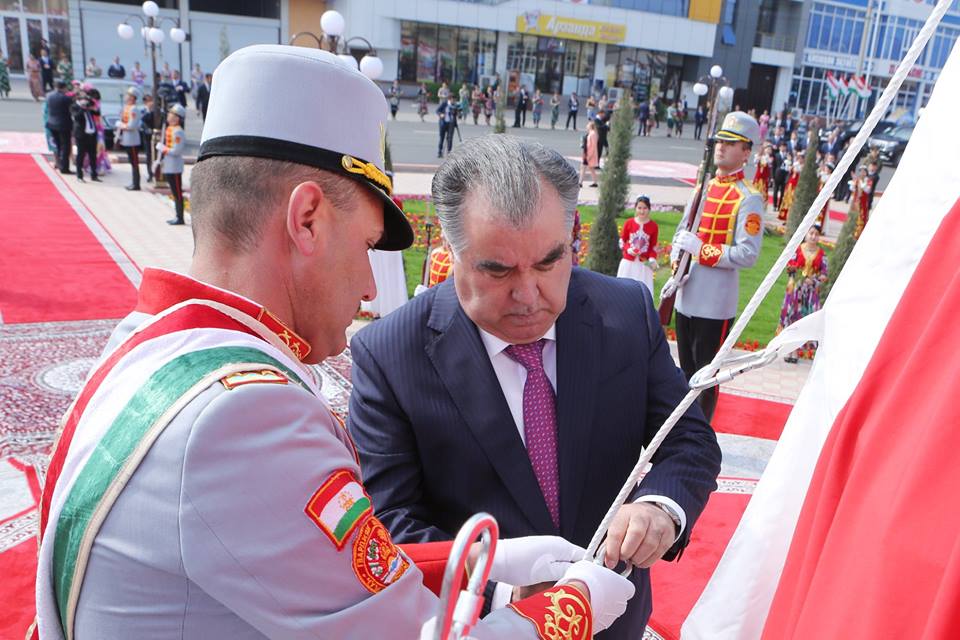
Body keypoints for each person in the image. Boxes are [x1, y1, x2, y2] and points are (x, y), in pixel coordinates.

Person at [34, 44, 634, 640]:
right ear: (308, 220)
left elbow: (320, 563)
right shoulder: (245, 416)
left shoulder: (156, 345)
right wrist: (577, 604)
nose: (371, 287)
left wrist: (485, 561)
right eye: (367, 245)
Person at [347, 134, 721, 640]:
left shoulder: (626, 314)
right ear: (451, 252)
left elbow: (689, 440)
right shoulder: (391, 354)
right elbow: (390, 524)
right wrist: (503, 592)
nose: (528, 296)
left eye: (548, 262)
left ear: (572, 238)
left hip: (615, 620)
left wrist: (660, 508)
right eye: (497, 270)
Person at [669, 111, 764, 422]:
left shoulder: (748, 198)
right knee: (685, 371)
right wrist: (676, 264)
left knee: (706, 377)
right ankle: (684, 428)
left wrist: (702, 250)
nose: (721, 147)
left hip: (714, 301)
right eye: (720, 141)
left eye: (731, 143)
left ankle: (700, 433)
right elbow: (682, 233)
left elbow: (748, 253)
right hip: (687, 293)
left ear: (746, 152)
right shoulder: (703, 188)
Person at [778, 225, 828, 363]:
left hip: (810, 294)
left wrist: (814, 280)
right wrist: (801, 277)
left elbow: (824, 274)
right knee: (792, 317)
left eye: (816, 234)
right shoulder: (798, 250)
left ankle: (797, 352)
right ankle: (788, 349)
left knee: (804, 320)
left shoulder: (822, 254)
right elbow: (790, 267)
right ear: (806, 234)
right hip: (795, 290)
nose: (813, 236)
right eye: (811, 233)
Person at [617, 195, 659, 293]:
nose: (642, 211)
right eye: (639, 208)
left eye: (645, 208)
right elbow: (622, 241)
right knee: (624, 289)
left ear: (649, 209)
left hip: (643, 264)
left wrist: (652, 258)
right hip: (628, 263)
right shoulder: (629, 223)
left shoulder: (654, 226)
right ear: (635, 208)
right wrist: (628, 249)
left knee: (642, 290)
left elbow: (653, 246)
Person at [159, 103, 187, 225]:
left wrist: (164, 149)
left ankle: (180, 217)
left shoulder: (178, 132)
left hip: (175, 166)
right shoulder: (170, 128)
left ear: (177, 118)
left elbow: (177, 150)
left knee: (177, 192)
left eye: (171, 114)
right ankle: (177, 216)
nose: (169, 115)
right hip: (169, 164)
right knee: (174, 192)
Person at [116, 86, 142, 190]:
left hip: (132, 140)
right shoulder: (127, 107)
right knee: (132, 162)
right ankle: (134, 182)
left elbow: (131, 126)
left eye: (128, 95)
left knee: (134, 162)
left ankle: (136, 184)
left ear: (132, 97)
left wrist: (120, 124)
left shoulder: (134, 109)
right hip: (127, 139)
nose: (126, 97)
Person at [45, 81, 73, 173]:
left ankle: (60, 164)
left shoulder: (49, 96)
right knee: (65, 147)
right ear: (64, 88)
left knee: (58, 145)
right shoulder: (65, 98)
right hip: (63, 125)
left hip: (51, 124)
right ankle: (64, 168)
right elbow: (72, 106)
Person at [71, 91, 100, 182]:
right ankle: (79, 176)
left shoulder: (89, 105)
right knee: (81, 155)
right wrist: (83, 108)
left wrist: (92, 106)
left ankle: (94, 175)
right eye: (83, 98)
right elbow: (77, 117)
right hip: (81, 134)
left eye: (86, 98)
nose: (85, 100)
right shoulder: (74, 106)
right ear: (78, 98)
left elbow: (97, 113)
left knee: (93, 155)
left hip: (92, 134)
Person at [778, 152, 801, 223]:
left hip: (795, 187)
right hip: (790, 185)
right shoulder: (793, 165)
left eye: (800, 157)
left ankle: (790, 218)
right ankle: (785, 217)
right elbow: (788, 170)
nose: (799, 159)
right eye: (798, 157)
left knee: (792, 202)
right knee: (787, 201)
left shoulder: (801, 167)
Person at [436, 93, 458, 158]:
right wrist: (441, 114)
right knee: (442, 138)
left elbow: (457, 114)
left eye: (455, 100)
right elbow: (437, 111)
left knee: (450, 138)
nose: (454, 101)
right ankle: (439, 152)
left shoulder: (455, 106)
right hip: (443, 123)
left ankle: (449, 152)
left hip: (451, 124)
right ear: (449, 99)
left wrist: (457, 113)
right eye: (453, 100)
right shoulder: (444, 104)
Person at [753, 144, 773, 212]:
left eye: (762, 149)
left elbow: (769, 164)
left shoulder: (767, 157)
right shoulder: (757, 156)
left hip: (764, 178)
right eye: (760, 149)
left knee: (764, 192)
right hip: (758, 177)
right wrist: (759, 155)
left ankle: (762, 207)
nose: (761, 150)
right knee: (756, 191)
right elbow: (755, 162)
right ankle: (754, 205)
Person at [579, 120, 599, 188]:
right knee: (591, 168)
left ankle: (580, 182)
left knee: (583, 167)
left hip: (589, 154)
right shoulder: (591, 133)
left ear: (590, 126)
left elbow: (593, 146)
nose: (587, 126)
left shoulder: (592, 134)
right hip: (588, 153)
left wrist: (589, 156)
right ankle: (595, 182)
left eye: (588, 125)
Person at [140, 94, 156, 182]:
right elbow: (141, 122)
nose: (149, 103)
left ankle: (156, 173)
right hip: (147, 136)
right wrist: (149, 111)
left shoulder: (157, 110)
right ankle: (150, 173)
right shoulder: (143, 111)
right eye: (146, 101)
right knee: (149, 155)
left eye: (150, 100)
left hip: (156, 135)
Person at [772, 142, 790, 210]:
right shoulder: (776, 155)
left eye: (784, 147)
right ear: (779, 147)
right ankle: (774, 205)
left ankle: (780, 206)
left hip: (785, 176)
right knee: (775, 191)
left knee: (783, 192)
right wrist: (772, 176)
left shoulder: (788, 155)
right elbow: (773, 166)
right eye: (782, 146)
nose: (783, 148)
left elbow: (789, 165)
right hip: (777, 175)